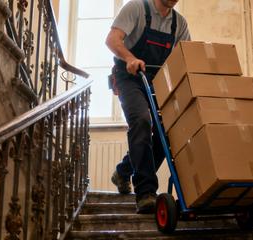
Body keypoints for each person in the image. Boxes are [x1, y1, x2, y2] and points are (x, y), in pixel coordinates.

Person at [105, 0, 190, 213]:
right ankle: (146, 192)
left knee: (167, 131)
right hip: (129, 77)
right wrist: (130, 58)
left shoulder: (179, 23)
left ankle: (123, 171)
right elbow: (112, 39)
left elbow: (185, 57)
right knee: (142, 120)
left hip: (157, 81)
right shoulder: (136, 8)